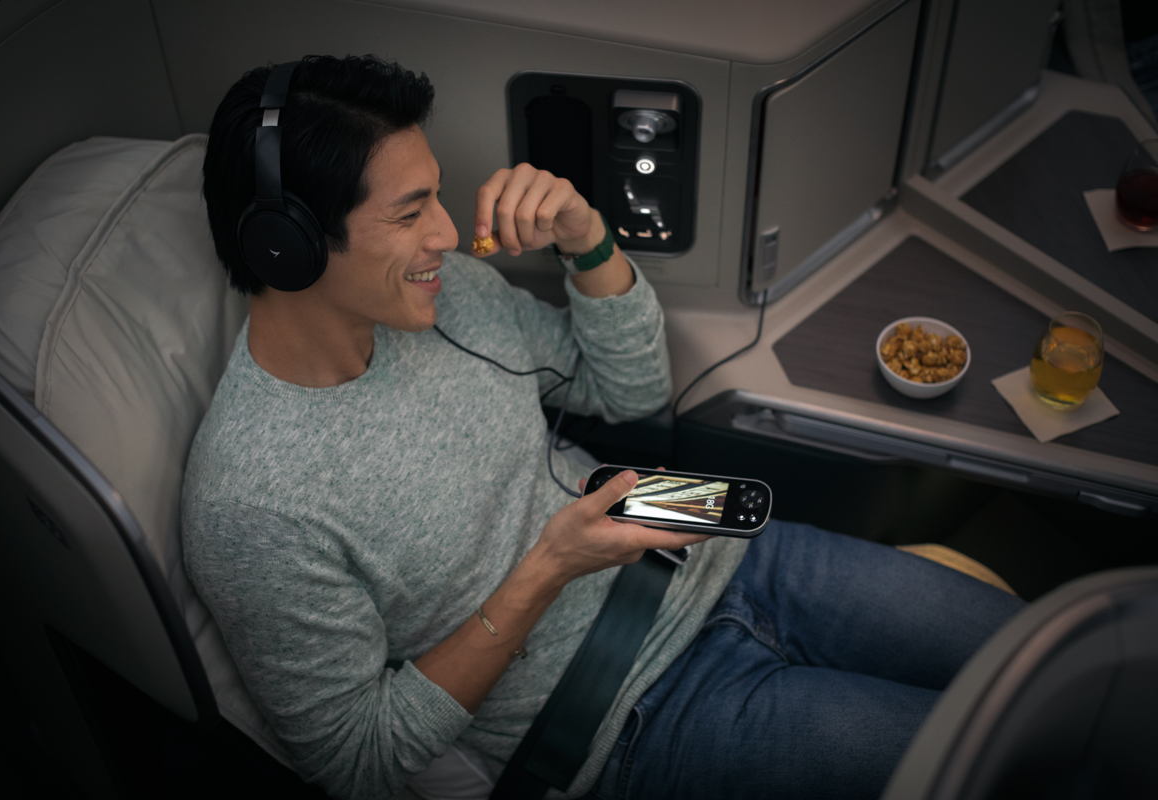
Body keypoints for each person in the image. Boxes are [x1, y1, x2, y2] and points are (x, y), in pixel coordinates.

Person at [183, 54, 1023, 800]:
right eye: (409, 215)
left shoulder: (443, 296)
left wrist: (587, 240)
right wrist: (548, 567)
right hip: (626, 712)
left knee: (1036, 664)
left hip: (711, 532)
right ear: (286, 246)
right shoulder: (254, 505)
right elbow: (357, 762)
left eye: (435, 196)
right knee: (1017, 762)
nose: (446, 234)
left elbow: (629, 392)